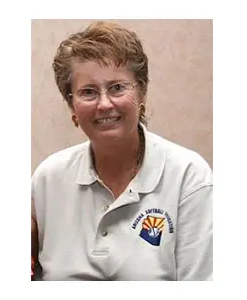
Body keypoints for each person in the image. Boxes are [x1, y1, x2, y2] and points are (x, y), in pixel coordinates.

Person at [31, 21, 213, 281]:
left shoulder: (189, 177)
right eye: (88, 92)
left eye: (117, 88)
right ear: (72, 108)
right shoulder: (47, 179)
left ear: (142, 95)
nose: (104, 104)